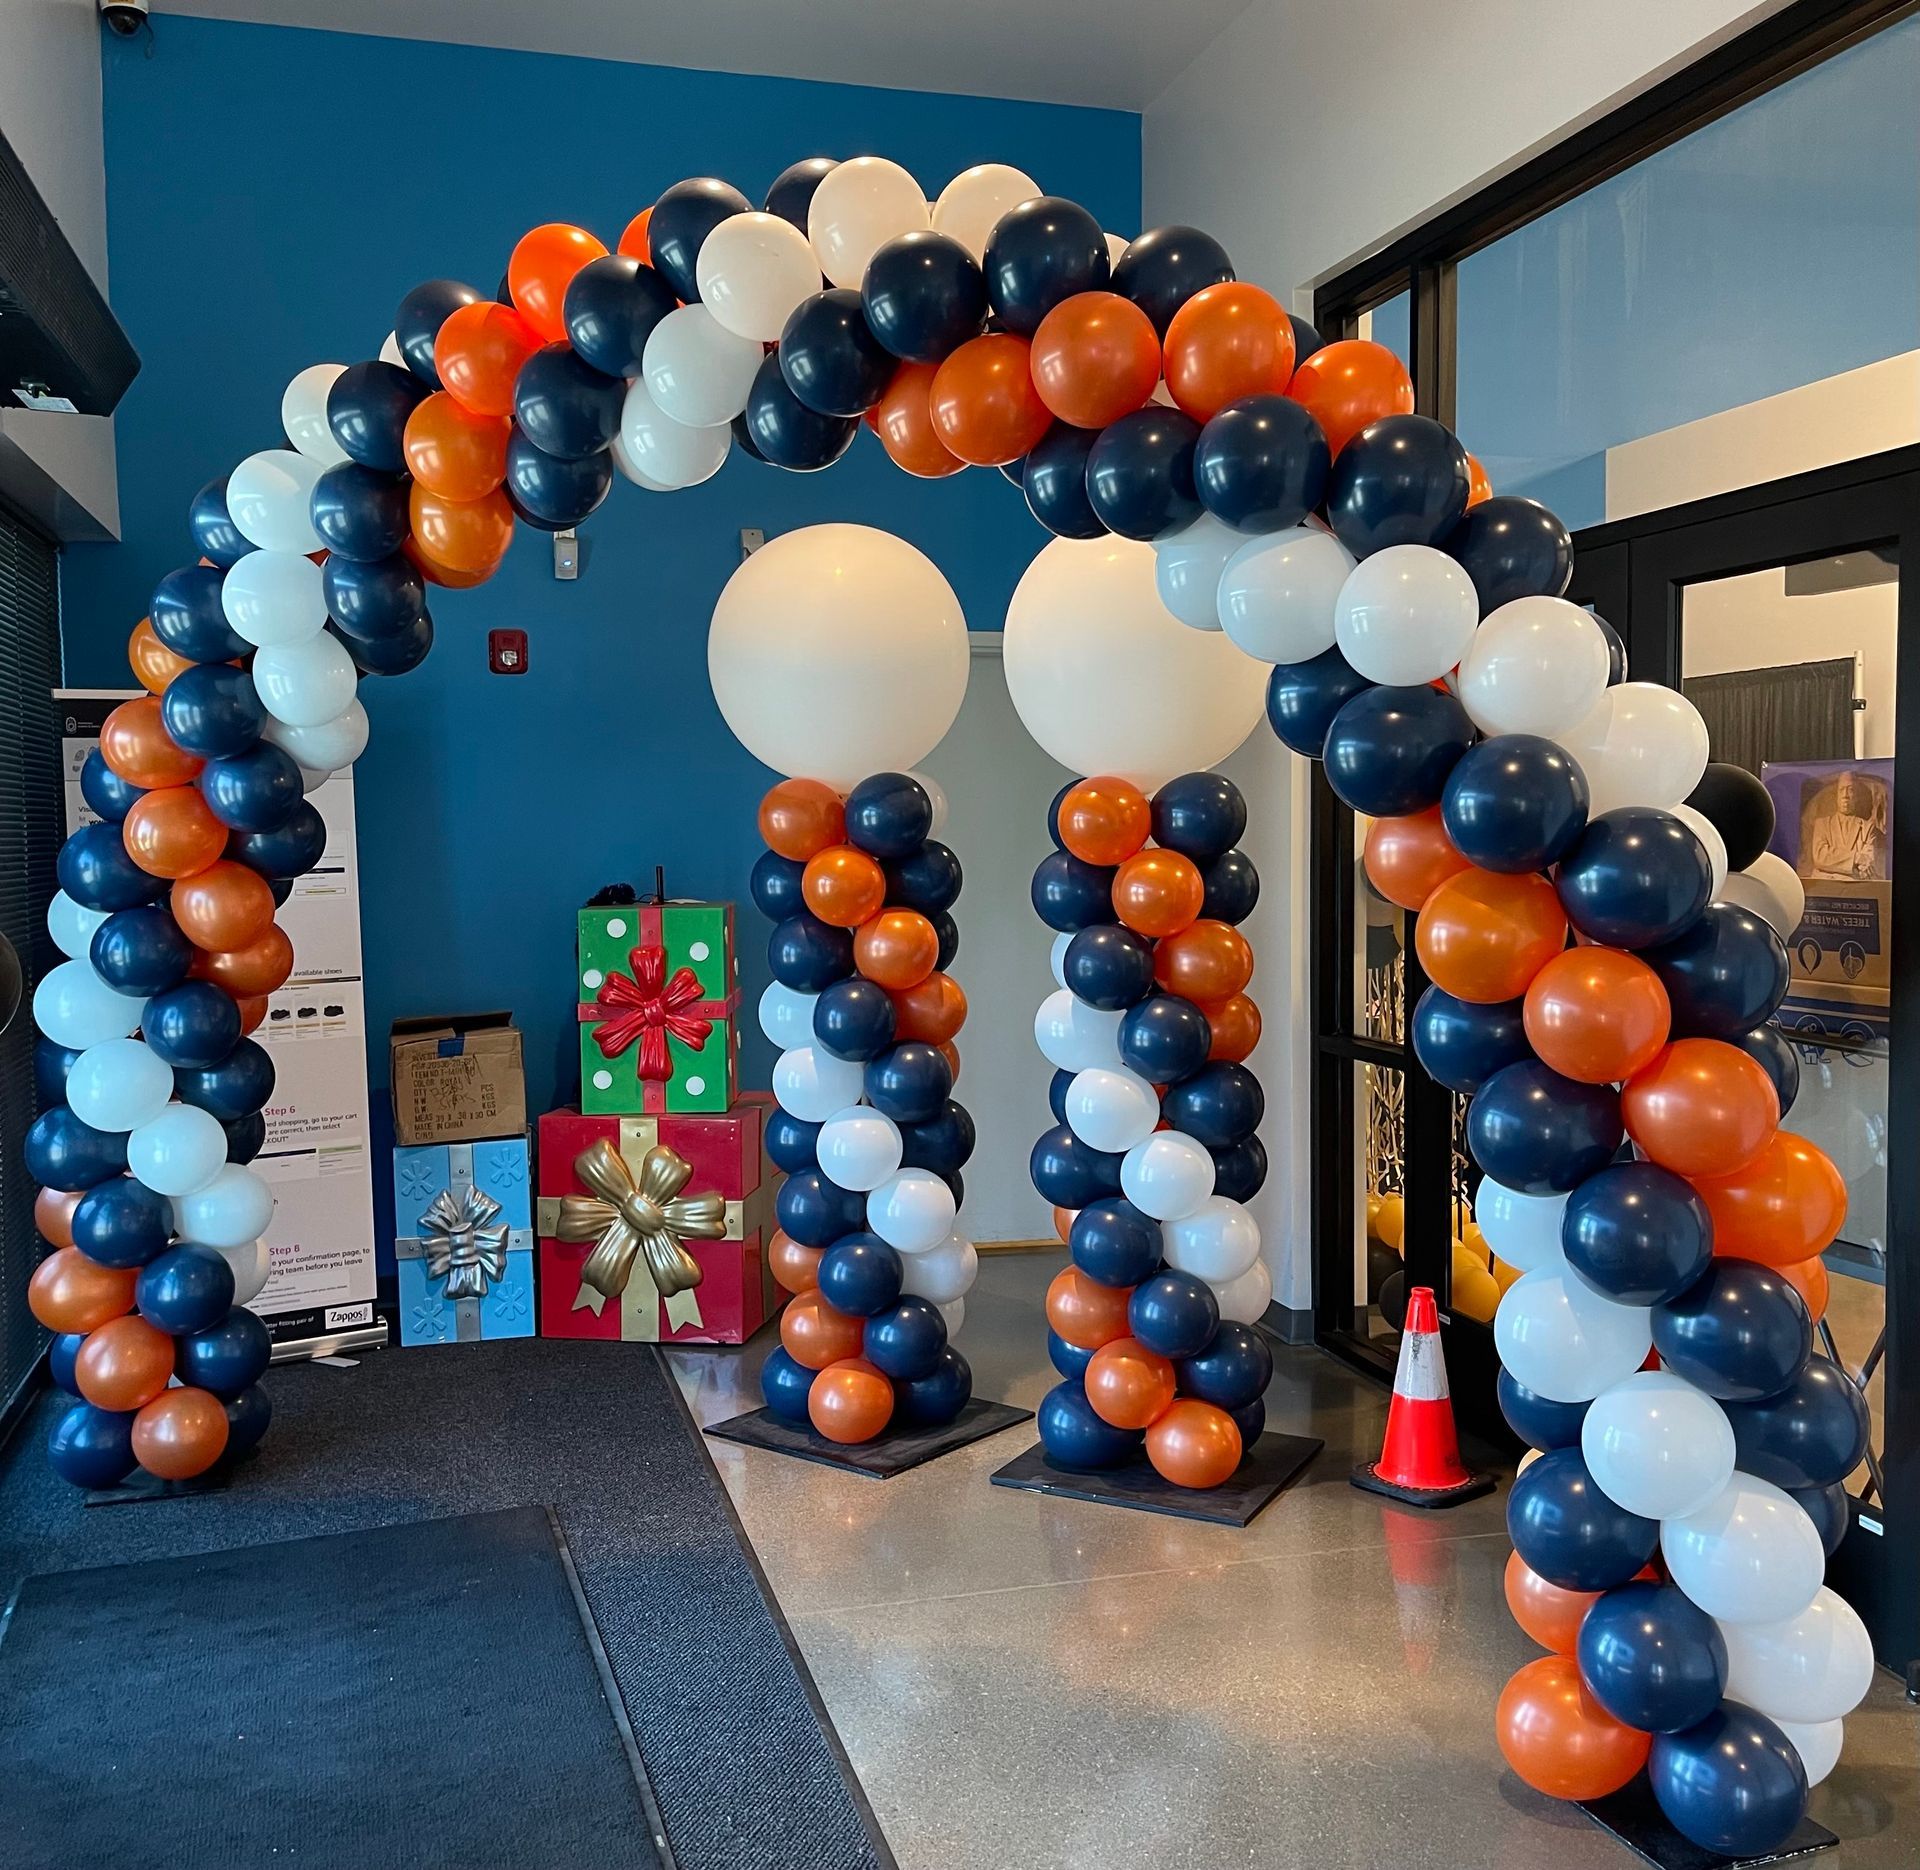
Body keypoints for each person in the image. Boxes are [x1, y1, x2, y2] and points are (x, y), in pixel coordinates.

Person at [1808, 770, 1887, 880]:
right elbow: (1820, 857)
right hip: (1824, 886)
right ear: (1837, 796)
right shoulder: (1822, 824)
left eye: (1850, 790)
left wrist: (1834, 866)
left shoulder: (1867, 828)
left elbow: (1868, 864)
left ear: (1857, 797)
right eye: (1841, 790)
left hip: (1856, 889)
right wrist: (1856, 858)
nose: (1845, 796)